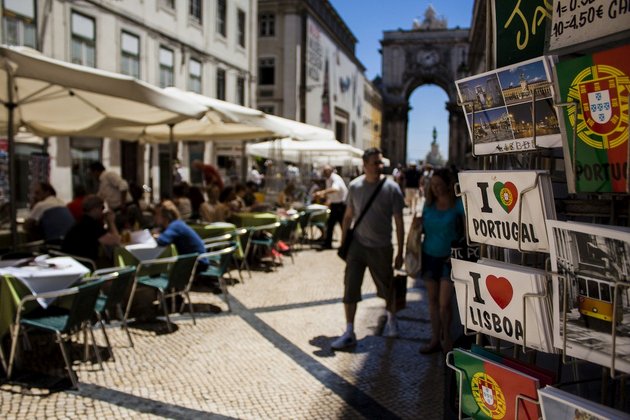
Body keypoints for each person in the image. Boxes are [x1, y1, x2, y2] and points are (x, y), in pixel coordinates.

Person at [331, 148, 405, 350]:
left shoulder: (392, 188)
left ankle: (391, 319)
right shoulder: (354, 186)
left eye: (381, 162)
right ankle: (349, 331)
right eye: (375, 163)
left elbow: (399, 221)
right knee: (350, 286)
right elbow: (348, 216)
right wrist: (344, 242)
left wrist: (400, 251)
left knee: (387, 286)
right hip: (357, 246)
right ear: (364, 165)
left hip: (382, 246)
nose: (380, 166)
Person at [416, 167, 464, 355]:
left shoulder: (458, 205)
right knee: (433, 302)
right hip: (429, 256)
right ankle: (435, 338)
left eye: (438, 185)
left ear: (447, 185)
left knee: (444, 304)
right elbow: (424, 227)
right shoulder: (428, 205)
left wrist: (459, 251)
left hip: (448, 260)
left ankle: (447, 338)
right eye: (432, 185)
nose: (435, 188)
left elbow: (468, 232)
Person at [62, 195, 121, 267]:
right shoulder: (92, 224)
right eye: (102, 208)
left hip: (74, 261)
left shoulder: (82, 221)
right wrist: (111, 222)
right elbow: (116, 241)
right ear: (95, 209)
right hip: (86, 263)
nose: (103, 212)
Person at [153, 200, 207, 271]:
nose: (155, 218)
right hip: (200, 260)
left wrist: (154, 236)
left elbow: (162, 241)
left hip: (196, 263)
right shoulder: (178, 224)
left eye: (157, 214)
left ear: (164, 217)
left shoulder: (175, 226)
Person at [314, 165, 348, 249]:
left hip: (341, 205)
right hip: (335, 204)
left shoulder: (335, 178)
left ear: (330, 171)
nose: (325, 173)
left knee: (343, 225)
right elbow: (332, 193)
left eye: (326, 171)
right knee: (330, 224)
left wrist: (322, 192)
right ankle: (328, 243)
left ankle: (346, 244)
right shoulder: (328, 179)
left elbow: (335, 189)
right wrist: (328, 201)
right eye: (324, 171)